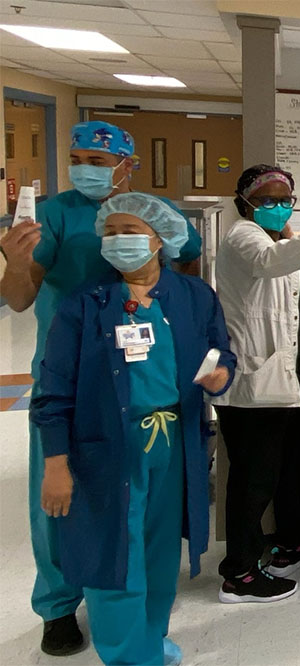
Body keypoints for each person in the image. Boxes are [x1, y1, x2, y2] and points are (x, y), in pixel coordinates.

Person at [0, 120, 203, 656]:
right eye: (78, 156)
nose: (84, 167)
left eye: (97, 158)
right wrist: (15, 264)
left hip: (142, 379)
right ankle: (59, 602)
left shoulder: (156, 215)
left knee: (143, 500)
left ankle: (132, 594)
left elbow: (187, 264)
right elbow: (19, 299)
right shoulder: (57, 214)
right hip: (72, 370)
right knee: (61, 495)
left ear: (126, 165)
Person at [31, 193, 235, 666]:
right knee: (115, 557)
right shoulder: (87, 305)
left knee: (161, 552)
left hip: (173, 439)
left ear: (161, 239)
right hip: (106, 448)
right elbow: (53, 391)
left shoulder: (192, 296)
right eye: (110, 233)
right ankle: (128, 656)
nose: (118, 241)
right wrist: (56, 464)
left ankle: (149, 636)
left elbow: (221, 351)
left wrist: (221, 373)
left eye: (131, 232)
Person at [213, 165, 300, 604]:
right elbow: (270, 264)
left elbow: (296, 281)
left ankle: (292, 543)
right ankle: (239, 572)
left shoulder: (277, 237)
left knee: (294, 459)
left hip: (281, 376)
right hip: (252, 379)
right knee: (254, 479)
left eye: (284, 199)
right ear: (245, 200)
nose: (278, 207)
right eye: (268, 199)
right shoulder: (243, 236)